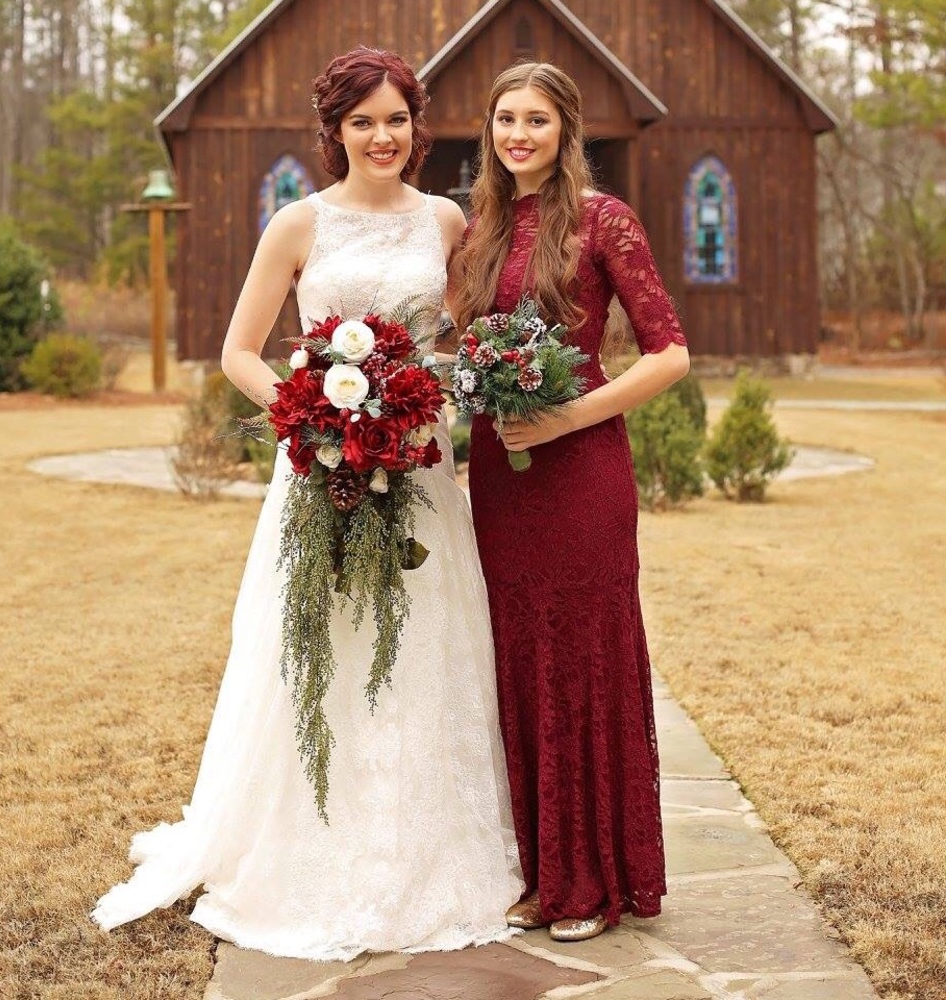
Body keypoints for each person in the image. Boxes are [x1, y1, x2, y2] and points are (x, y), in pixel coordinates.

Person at [91, 47, 522, 959]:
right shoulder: (297, 223)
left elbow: (463, 341)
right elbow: (238, 353)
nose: (382, 137)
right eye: (362, 122)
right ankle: (311, 839)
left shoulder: (446, 221)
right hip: (322, 465)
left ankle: (428, 848)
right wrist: (315, 411)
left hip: (419, 464)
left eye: (396, 119)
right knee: (326, 639)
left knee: (424, 640)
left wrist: (438, 397)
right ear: (335, 131)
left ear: (417, 126)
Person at [451, 62, 690, 943]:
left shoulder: (603, 220)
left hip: (582, 466)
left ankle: (594, 881)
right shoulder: (477, 229)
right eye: (506, 118)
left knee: (582, 660)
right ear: (489, 129)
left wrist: (567, 418)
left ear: (566, 131)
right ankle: (543, 875)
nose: (519, 134)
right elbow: (455, 342)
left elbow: (670, 354)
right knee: (518, 660)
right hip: (499, 474)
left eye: (537, 120)